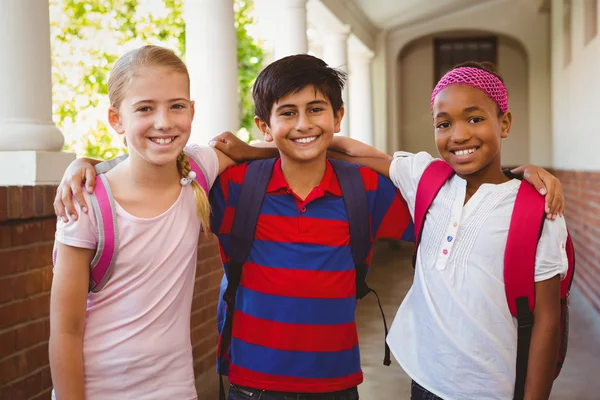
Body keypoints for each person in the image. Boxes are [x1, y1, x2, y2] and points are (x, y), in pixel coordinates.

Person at [54, 55, 564, 400]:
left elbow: (459, 201)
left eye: (317, 109)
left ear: (338, 116)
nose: (304, 124)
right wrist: (90, 165)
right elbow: (157, 166)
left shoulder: (370, 193)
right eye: (287, 113)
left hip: (337, 382)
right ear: (264, 125)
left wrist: (520, 177)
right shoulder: (232, 191)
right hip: (249, 381)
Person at [327, 61, 569, 400]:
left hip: (493, 389)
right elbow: (340, 148)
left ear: (505, 122)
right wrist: (252, 150)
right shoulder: (425, 176)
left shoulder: (538, 209)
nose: (458, 135)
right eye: (444, 123)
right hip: (424, 379)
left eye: (475, 118)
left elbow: (547, 323)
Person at [49, 45, 235, 400]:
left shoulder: (198, 170)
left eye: (176, 105)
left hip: (176, 390)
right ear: (116, 119)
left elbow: (271, 147)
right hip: (99, 391)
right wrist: (81, 164)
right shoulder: (86, 203)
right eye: (145, 108)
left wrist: (352, 148)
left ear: (192, 111)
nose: (164, 121)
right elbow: (66, 332)